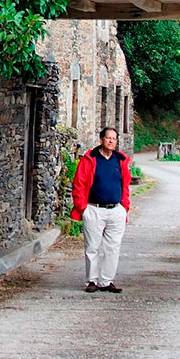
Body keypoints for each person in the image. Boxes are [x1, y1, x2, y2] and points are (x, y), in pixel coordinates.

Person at [70, 126, 132, 293]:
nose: (111, 141)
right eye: (108, 138)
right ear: (101, 139)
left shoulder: (120, 159)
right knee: (92, 247)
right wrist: (83, 208)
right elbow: (79, 184)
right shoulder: (90, 158)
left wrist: (124, 207)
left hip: (116, 209)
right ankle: (92, 280)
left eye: (114, 138)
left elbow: (125, 184)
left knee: (113, 247)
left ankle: (106, 281)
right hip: (94, 209)